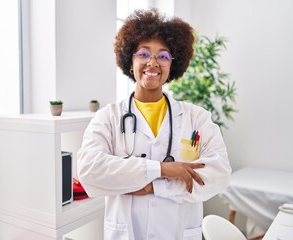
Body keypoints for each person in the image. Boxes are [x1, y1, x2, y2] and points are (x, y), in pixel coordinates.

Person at [77, 9, 231, 240]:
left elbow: (218, 174)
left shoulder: (197, 118)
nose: (153, 62)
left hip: (178, 231)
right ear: (130, 60)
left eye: (163, 56)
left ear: (172, 66)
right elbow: (90, 171)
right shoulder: (107, 117)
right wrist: (162, 169)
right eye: (143, 54)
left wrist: (153, 186)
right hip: (127, 232)